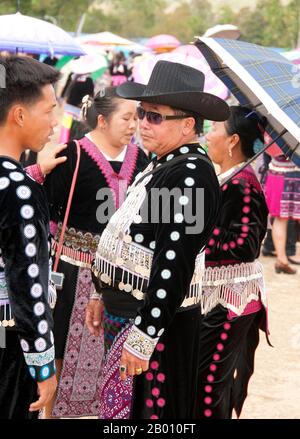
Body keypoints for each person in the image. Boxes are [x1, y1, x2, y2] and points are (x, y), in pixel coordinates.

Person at [86, 61, 229, 419]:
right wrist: (102, 291)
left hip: (156, 327)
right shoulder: (164, 163)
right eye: (141, 114)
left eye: (154, 117)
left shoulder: (190, 175)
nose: (142, 124)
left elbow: (173, 264)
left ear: (187, 125)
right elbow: (128, 236)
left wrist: (144, 336)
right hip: (129, 315)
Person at [34, 87, 149, 418]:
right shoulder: (72, 155)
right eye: (127, 117)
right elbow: (44, 208)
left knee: (112, 355)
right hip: (70, 272)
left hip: (117, 276)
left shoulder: (140, 160)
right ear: (102, 120)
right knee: (57, 348)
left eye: (137, 118)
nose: (134, 125)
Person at [198, 106, 269, 419]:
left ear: (232, 140)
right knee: (208, 385)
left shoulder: (242, 185)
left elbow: (245, 244)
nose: (207, 135)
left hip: (230, 301)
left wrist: (198, 242)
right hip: (221, 295)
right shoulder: (231, 177)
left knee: (209, 386)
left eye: (214, 128)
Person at [0, 55, 59, 418]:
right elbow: (29, 285)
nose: (56, 123)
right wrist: (43, 364)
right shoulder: (19, 189)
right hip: (8, 345)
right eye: (50, 110)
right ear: (19, 115)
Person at [264, 155, 300, 274]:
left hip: (277, 172)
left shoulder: (278, 136)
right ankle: (282, 260)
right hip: (294, 173)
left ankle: (281, 260)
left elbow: (270, 149)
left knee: (280, 219)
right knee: (280, 218)